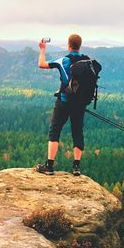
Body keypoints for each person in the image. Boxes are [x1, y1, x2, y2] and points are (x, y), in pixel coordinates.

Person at [35, 34, 88, 176]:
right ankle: (76, 167)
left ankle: (49, 166)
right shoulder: (87, 61)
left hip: (64, 101)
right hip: (80, 104)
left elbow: (41, 64)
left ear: (69, 45)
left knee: (55, 130)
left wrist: (42, 49)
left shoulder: (63, 60)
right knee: (77, 132)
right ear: (79, 46)